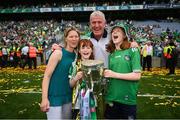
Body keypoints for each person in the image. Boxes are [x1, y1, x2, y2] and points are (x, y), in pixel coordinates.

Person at [52, 10, 138, 68]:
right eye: (93, 22)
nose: (96, 25)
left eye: (99, 22)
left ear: (105, 23)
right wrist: (59, 47)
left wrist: (132, 44)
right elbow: (70, 44)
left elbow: (126, 44)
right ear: (90, 24)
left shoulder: (113, 38)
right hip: (91, 79)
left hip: (111, 77)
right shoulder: (85, 39)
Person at [40, 27, 83, 119]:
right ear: (66, 38)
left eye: (76, 36)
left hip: (68, 97)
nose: (74, 39)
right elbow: (47, 76)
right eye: (71, 36)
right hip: (54, 97)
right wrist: (44, 98)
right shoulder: (58, 53)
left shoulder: (76, 55)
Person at [103, 24, 141, 119]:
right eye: (113, 31)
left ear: (124, 36)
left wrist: (114, 74)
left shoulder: (133, 50)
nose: (114, 32)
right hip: (111, 99)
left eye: (118, 31)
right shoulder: (111, 55)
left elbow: (137, 76)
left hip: (128, 100)